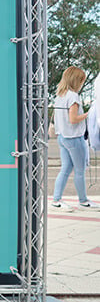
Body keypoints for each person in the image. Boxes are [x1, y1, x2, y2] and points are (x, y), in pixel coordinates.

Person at [52, 66, 99, 211]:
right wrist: (90, 113)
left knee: (65, 169)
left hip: (62, 138)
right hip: (74, 138)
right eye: (82, 81)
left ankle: (56, 200)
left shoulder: (60, 95)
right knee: (80, 171)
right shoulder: (73, 96)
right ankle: (83, 201)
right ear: (76, 80)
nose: (82, 84)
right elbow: (73, 119)